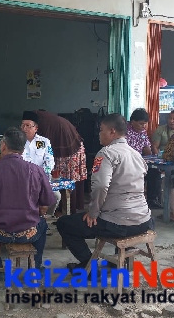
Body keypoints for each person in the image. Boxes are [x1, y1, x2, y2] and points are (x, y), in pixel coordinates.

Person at [56, 113, 153, 271]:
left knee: (64, 223)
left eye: (101, 130)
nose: (99, 134)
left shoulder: (106, 153)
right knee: (115, 215)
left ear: (112, 132)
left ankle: (88, 266)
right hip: (144, 220)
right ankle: (118, 264)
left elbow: (100, 186)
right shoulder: (136, 154)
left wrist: (93, 212)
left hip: (118, 223)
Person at [0, 127, 55, 278]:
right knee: (42, 224)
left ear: (3, 145)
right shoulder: (36, 170)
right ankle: (35, 268)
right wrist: (36, 215)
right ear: (23, 149)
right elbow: (44, 206)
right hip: (29, 233)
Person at [28, 110, 87, 212]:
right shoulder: (46, 120)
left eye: (27, 125)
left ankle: (65, 210)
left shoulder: (45, 126)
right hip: (70, 146)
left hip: (70, 151)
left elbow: (42, 150)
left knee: (65, 179)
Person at [20, 111, 61, 215]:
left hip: (41, 178)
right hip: (22, 180)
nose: (24, 128)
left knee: (56, 196)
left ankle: (45, 218)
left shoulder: (43, 142)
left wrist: (42, 175)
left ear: (36, 128)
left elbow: (50, 161)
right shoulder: (17, 142)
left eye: (28, 126)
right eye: (22, 125)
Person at [128, 108, 159, 208]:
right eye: (141, 123)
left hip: (140, 164)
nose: (144, 126)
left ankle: (151, 200)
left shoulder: (143, 132)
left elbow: (146, 149)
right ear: (132, 122)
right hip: (128, 165)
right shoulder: (125, 132)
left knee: (154, 173)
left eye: (145, 123)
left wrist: (151, 156)